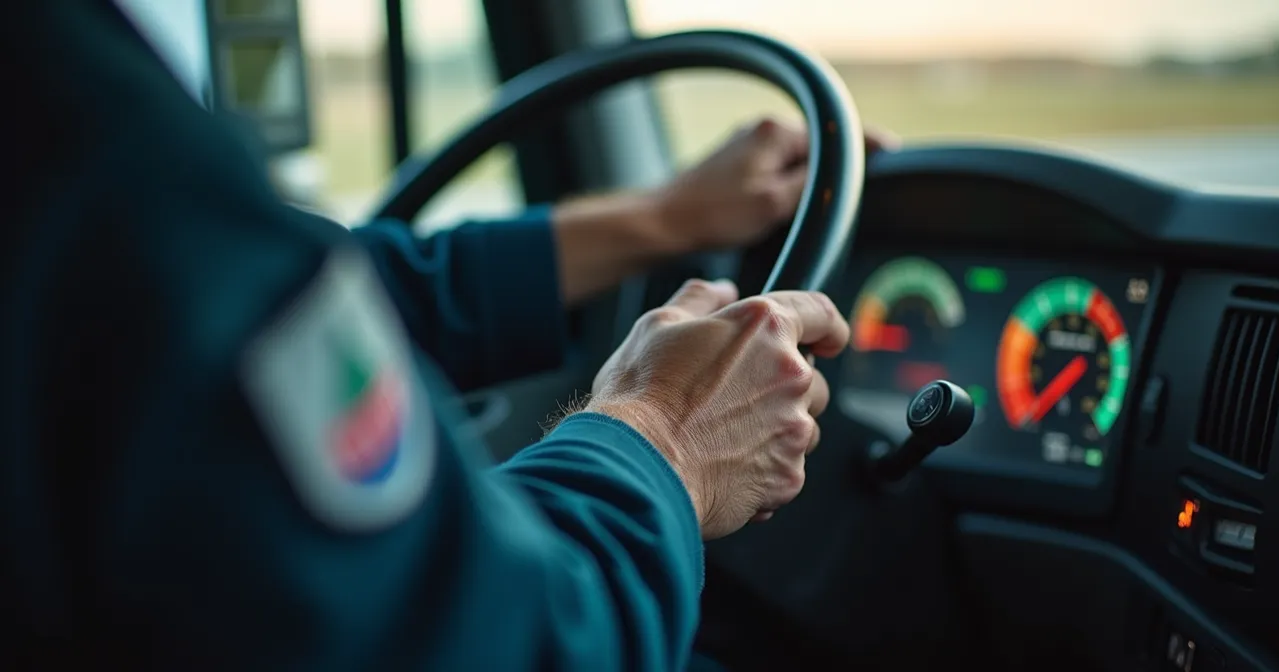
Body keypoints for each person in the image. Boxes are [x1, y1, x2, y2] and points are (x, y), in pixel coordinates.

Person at [2, 2, 886, 669]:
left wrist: (659, 217)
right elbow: (488, 638)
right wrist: (670, 442)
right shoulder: (92, 132)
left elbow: (275, 289)